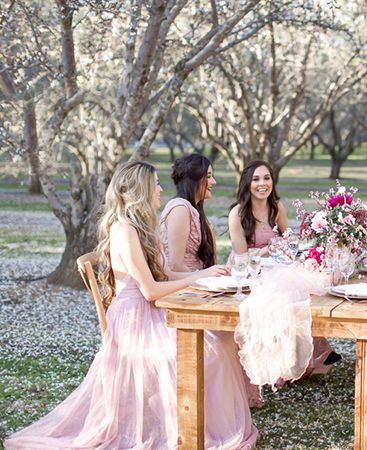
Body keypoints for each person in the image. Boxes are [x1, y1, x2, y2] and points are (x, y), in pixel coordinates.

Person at [4, 161, 254, 449]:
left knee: (220, 341)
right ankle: (192, 426)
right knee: (208, 351)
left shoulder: (143, 226)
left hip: (152, 311)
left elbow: (167, 274)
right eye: (155, 184)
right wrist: (193, 283)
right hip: (133, 319)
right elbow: (150, 290)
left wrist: (205, 275)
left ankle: (201, 422)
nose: (161, 188)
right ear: (141, 190)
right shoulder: (124, 231)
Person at [158, 153, 258, 447]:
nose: (213, 182)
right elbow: (171, 270)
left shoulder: (192, 208)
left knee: (234, 331)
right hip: (180, 301)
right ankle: (216, 426)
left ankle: (228, 416)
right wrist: (206, 275)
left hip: (197, 293)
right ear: (195, 180)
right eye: (209, 176)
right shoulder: (179, 210)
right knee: (224, 342)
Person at [228, 160, 341, 375]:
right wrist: (269, 249)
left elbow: (288, 240)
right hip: (249, 271)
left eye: (267, 178)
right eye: (256, 179)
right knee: (280, 297)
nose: (262, 184)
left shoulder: (276, 207)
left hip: (275, 268)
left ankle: (311, 351)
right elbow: (242, 256)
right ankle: (288, 359)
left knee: (303, 288)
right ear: (247, 184)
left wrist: (286, 250)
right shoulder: (238, 213)